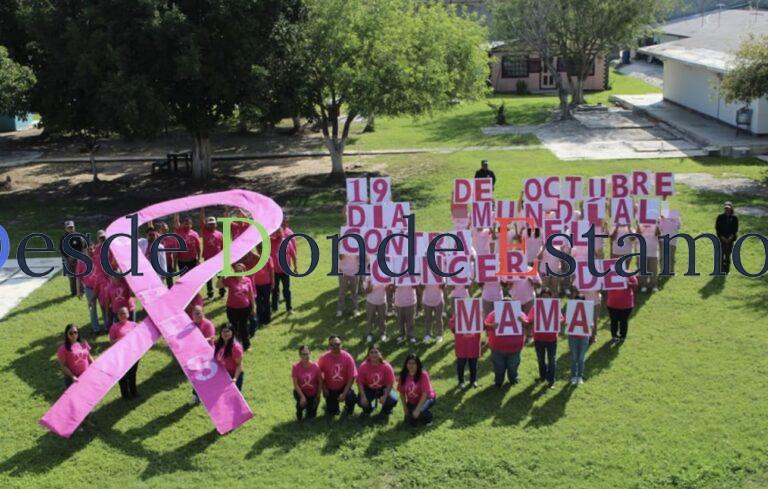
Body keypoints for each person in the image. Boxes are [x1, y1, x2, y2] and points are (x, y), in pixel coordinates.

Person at [521, 288, 564, 389]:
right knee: (541, 359)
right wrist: (522, 321)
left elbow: (561, 320)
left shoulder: (555, 307)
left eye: (547, 296)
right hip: (539, 339)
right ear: (540, 297)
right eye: (543, 296)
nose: (545, 298)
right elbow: (529, 322)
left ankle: (551, 380)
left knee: (552, 360)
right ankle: (543, 376)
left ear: (550, 297)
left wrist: (561, 321)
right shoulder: (535, 308)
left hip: (552, 339)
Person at [217, 263, 256, 351]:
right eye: (237, 271)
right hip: (232, 309)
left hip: (245, 309)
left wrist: (253, 307)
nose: (239, 272)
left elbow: (251, 296)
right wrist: (222, 276)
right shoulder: (230, 280)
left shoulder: (247, 280)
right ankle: (233, 345)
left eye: (241, 270)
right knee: (233, 328)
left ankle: (246, 345)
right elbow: (218, 285)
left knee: (244, 327)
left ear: (244, 271)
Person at [484, 309, 525, 387]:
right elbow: (485, 326)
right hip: (498, 348)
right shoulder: (493, 314)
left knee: (512, 367)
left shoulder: (520, 314)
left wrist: (523, 322)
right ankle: (498, 382)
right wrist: (491, 325)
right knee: (499, 367)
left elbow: (528, 325)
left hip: (514, 348)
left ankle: (513, 380)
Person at [318, 335, 357, 416]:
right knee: (332, 412)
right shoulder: (324, 358)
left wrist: (344, 393)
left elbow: (352, 377)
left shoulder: (348, 357)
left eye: (337, 344)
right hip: (330, 388)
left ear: (341, 344)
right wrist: (324, 388)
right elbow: (318, 374)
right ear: (329, 346)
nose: (335, 346)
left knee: (351, 397)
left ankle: (348, 409)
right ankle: (331, 405)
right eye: (332, 345)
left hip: (344, 387)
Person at [357, 344, 398, 416]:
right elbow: (360, 382)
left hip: (383, 388)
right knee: (361, 400)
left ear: (380, 354)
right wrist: (363, 397)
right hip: (368, 388)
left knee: (392, 399)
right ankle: (368, 410)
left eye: (376, 352)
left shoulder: (386, 366)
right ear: (368, 354)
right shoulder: (363, 366)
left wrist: (385, 396)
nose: (374, 354)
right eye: (371, 352)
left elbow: (390, 382)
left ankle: (386, 411)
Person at [397, 353, 436, 427]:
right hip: (413, 400)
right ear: (406, 364)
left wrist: (418, 409)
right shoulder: (403, 375)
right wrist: (405, 407)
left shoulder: (423, 374)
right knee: (409, 420)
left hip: (427, 398)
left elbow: (425, 393)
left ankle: (429, 418)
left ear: (418, 364)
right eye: (409, 363)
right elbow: (401, 392)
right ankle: (418, 414)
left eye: (414, 363)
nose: (411, 365)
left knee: (420, 411)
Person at [109, 307, 139, 400]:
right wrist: (121, 339)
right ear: (117, 316)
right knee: (123, 375)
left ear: (128, 314)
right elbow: (111, 342)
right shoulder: (114, 327)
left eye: (124, 313)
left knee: (132, 374)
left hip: (133, 353)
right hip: (121, 355)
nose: (122, 315)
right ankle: (125, 395)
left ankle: (134, 392)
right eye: (120, 314)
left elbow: (139, 337)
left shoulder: (134, 325)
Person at [569, 294, 596, 385]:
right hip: (573, 337)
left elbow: (591, 324)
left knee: (581, 358)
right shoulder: (571, 310)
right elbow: (566, 322)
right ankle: (573, 376)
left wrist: (591, 326)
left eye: (581, 301)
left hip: (584, 338)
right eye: (577, 301)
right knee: (573, 358)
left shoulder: (587, 310)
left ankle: (579, 376)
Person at [271, 222, 298, 315]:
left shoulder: (287, 242)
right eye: (276, 232)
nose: (278, 233)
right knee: (275, 289)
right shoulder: (271, 242)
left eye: (280, 231)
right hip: (274, 271)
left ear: (282, 232)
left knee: (286, 289)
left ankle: (289, 308)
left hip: (285, 270)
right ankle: (274, 307)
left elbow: (293, 255)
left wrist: (295, 267)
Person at [75, 244, 102, 335]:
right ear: (84, 250)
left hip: (101, 287)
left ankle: (107, 326)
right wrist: (79, 291)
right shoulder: (81, 262)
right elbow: (78, 277)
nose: (91, 250)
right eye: (88, 249)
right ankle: (96, 329)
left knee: (104, 307)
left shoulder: (99, 259)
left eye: (92, 248)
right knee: (92, 309)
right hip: (89, 289)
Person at [448, 315, 481, 389]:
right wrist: (455, 322)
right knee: (461, 365)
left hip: (473, 344)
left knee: (473, 365)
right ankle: (461, 381)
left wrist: (482, 318)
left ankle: (473, 381)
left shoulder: (477, 313)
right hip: (462, 345)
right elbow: (452, 326)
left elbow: (483, 326)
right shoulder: (458, 313)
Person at [292, 345, 322, 421]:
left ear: (310, 353)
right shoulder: (295, 367)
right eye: (303, 354)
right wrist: (302, 397)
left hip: (312, 393)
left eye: (307, 354)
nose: (306, 356)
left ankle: (311, 409)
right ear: (300, 355)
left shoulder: (316, 366)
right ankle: (299, 412)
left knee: (311, 415)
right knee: (301, 404)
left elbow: (320, 382)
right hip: (301, 392)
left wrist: (318, 395)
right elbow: (295, 384)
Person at [606, 274, 639, 344]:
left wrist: (628, 283)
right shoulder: (608, 273)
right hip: (612, 304)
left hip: (626, 305)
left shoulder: (629, 274)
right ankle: (614, 336)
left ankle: (622, 337)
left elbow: (635, 286)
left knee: (623, 321)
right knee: (613, 321)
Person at [200, 209, 224, 299]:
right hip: (208, 259)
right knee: (208, 278)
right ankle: (210, 293)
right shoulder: (205, 231)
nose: (212, 225)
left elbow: (222, 247)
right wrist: (202, 209)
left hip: (218, 259)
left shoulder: (219, 234)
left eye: (213, 223)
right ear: (207, 224)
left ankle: (222, 292)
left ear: (216, 224)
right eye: (210, 223)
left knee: (221, 276)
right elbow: (202, 220)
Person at [214, 323, 245, 391]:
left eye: (228, 331)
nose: (225, 333)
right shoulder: (218, 343)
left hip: (234, 375)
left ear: (232, 332)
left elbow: (239, 365)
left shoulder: (236, 348)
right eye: (223, 331)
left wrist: (235, 379)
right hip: (223, 375)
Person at [60, 220, 87, 296]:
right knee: (72, 276)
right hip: (68, 260)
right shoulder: (63, 238)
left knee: (80, 275)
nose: (70, 229)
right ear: (65, 229)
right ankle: (74, 292)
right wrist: (68, 258)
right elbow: (62, 250)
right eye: (68, 228)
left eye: (71, 227)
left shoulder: (79, 236)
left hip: (79, 259)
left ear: (74, 227)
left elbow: (84, 247)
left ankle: (82, 291)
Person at [249, 244, 274, 326]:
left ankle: (267, 318)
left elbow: (271, 271)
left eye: (261, 248)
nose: (260, 249)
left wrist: (273, 282)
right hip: (256, 284)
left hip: (267, 283)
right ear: (256, 248)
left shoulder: (268, 258)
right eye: (258, 248)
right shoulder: (253, 259)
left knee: (266, 301)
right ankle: (260, 319)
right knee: (258, 302)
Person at [715, 202, 739, 274]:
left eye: (728, 208)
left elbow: (735, 229)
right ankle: (721, 268)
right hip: (721, 239)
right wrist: (722, 237)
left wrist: (730, 238)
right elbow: (717, 227)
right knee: (721, 253)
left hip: (730, 239)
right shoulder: (720, 217)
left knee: (728, 254)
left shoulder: (734, 218)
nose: (727, 210)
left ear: (731, 208)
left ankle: (727, 269)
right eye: (725, 208)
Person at [364, 278, 388, 343]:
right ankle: (369, 334)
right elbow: (366, 291)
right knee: (370, 319)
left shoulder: (385, 275)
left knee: (382, 319)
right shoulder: (368, 278)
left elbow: (388, 290)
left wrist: (388, 285)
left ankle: (382, 333)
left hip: (382, 301)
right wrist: (371, 285)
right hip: (371, 301)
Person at [337, 252, 361, 317]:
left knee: (354, 292)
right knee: (342, 291)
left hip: (354, 271)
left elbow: (361, 258)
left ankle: (356, 309)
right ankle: (340, 309)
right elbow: (340, 257)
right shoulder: (342, 244)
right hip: (343, 271)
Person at [638, 221, 660, 292]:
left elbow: (658, 234)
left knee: (653, 269)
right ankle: (643, 285)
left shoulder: (656, 222)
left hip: (653, 251)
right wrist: (638, 225)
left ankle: (653, 285)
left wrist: (657, 225)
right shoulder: (640, 222)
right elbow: (637, 235)